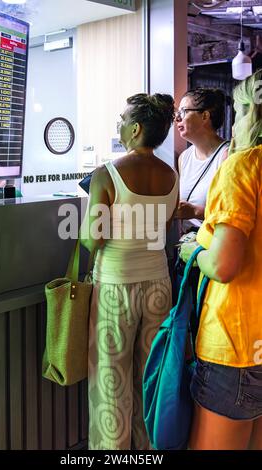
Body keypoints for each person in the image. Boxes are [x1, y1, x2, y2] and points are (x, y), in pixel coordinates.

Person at [80, 93, 179, 450]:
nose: (119, 125)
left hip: (115, 288)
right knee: (148, 377)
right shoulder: (171, 174)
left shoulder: (106, 175)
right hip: (159, 287)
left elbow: (92, 239)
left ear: (135, 128)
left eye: (122, 119)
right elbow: (165, 226)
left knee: (111, 379)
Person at [180, 69, 262, 450]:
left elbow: (225, 266)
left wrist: (194, 251)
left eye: (241, 111)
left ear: (253, 114)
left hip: (237, 346)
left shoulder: (243, 166)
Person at [175, 87, 229, 234]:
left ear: (205, 116)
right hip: (187, 247)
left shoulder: (228, 156)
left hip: (214, 244)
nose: (177, 118)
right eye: (177, 112)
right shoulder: (184, 158)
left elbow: (234, 213)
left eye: (184, 111)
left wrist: (195, 212)